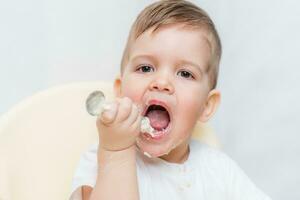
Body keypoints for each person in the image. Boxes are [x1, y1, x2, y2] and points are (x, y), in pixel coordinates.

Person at [69, 0, 271, 199]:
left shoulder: (219, 170)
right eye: (145, 68)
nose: (162, 82)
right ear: (120, 92)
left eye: (184, 73)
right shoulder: (102, 158)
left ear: (206, 106)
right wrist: (117, 151)